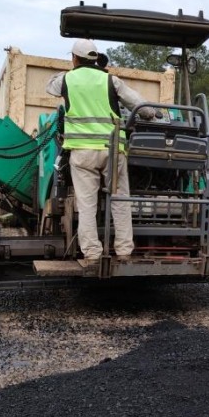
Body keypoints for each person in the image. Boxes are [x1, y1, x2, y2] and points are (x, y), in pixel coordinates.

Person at [46, 39, 155, 263]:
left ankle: (92, 254)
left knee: (87, 205)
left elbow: (50, 85)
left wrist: (70, 70)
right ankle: (124, 251)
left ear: (74, 58)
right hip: (113, 151)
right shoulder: (110, 80)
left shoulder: (67, 80)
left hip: (82, 153)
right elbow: (142, 107)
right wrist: (152, 114)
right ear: (96, 59)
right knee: (120, 200)